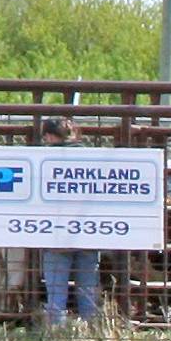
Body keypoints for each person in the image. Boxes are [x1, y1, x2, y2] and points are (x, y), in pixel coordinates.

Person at [39, 117, 100, 329]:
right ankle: (91, 328)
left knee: (56, 289)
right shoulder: (92, 157)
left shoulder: (44, 158)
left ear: (48, 136)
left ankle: (56, 328)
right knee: (88, 287)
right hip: (88, 232)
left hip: (56, 233)